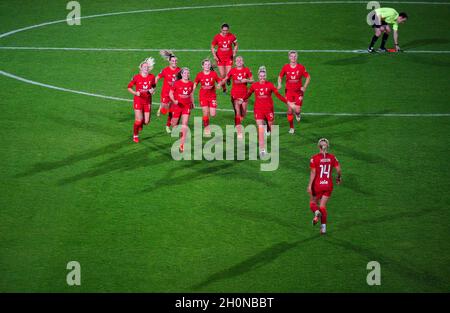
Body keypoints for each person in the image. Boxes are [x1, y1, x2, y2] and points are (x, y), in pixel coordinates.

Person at [240, 66, 287, 157]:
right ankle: (262, 150)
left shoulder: (270, 85)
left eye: (263, 75)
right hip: (258, 110)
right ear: (258, 76)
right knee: (260, 130)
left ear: (265, 76)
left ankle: (267, 126)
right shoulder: (254, 85)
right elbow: (249, 93)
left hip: (269, 109)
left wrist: (287, 102)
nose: (262, 77)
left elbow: (277, 95)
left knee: (270, 128)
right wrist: (243, 99)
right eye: (260, 76)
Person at [307, 138, 342, 235]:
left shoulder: (314, 158)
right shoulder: (332, 157)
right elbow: (339, 170)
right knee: (323, 206)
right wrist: (338, 178)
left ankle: (316, 213)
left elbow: (313, 172)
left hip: (318, 185)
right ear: (328, 146)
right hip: (328, 185)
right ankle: (323, 228)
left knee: (313, 204)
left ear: (318, 146)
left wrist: (310, 185)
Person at [277, 50, 310, 134]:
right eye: (291, 56)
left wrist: (304, 87)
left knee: (297, 110)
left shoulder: (301, 67)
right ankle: (291, 127)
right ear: (289, 57)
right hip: (289, 92)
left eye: (295, 56)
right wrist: (279, 84)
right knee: (290, 110)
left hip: (298, 92)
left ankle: (298, 114)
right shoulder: (285, 67)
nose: (293, 58)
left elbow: (308, 77)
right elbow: (280, 76)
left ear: (297, 57)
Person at [221, 56, 253, 138]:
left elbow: (252, 80)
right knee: (238, 112)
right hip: (235, 94)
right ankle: (239, 131)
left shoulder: (247, 70)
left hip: (244, 95)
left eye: (240, 60)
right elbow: (226, 78)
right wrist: (220, 83)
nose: (239, 61)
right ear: (235, 62)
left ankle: (237, 122)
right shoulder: (232, 70)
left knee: (244, 114)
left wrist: (247, 81)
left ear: (243, 62)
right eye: (237, 60)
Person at [127, 58, 156, 143]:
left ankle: (140, 124)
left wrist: (152, 90)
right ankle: (135, 135)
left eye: (147, 67)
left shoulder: (152, 77)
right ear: (141, 68)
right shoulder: (136, 77)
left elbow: (154, 86)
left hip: (147, 101)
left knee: (146, 122)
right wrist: (135, 93)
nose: (146, 68)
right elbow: (129, 87)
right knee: (138, 120)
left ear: (149, 68)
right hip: (138, 101)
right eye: (144, 67)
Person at [193, 59, 222, 136]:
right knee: (205, 113)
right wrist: (192, 90)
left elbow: (219, 81)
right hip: (203, 97)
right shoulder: (199, 75)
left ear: (210, 66)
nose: (207, 66)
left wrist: (219, 85)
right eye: (205, 65)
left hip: (212, 97)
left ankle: (206, 120)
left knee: (212, 114)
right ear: (202, 66)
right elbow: (195, 83)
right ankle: (206, 128)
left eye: (209, 64)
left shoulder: (214, 74)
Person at [169, 68, 195, 153]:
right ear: (182, 74)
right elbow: (170, 93)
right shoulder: (176, 83)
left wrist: (193, 103)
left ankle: (182, 145)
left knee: (185, 125)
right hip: (177, 106)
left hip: (186, 106)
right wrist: (174, 100)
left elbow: (191, 94)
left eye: (188, 73)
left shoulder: (191, 84)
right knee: (173, 124)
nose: (186, 74)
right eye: (185, 73)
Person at [156, 50, 181, 133]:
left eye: (176, 61)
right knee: (164, 111)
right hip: (165, 94)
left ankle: (168, 126)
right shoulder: (165, 70)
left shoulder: (179, 70)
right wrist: (153, 87)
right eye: (173, 61)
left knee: (173, 110)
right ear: (169, 62)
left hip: (174, 94)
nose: (174, 62)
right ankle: (161, 107)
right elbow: (157, 77)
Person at [211, 23, 238, 93]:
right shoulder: (217, 37)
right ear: (221, 30)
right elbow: (212, 47)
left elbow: (236, 45)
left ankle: (228, 79)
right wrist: (214, 56)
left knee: (228, 73)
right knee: (222, 75)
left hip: (229, 58)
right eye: (224, 30)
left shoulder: (232, 36)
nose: (225, 32)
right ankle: (224, 88)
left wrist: (234, 52)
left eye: (226, 30)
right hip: (220, 58)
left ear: (228, 30)